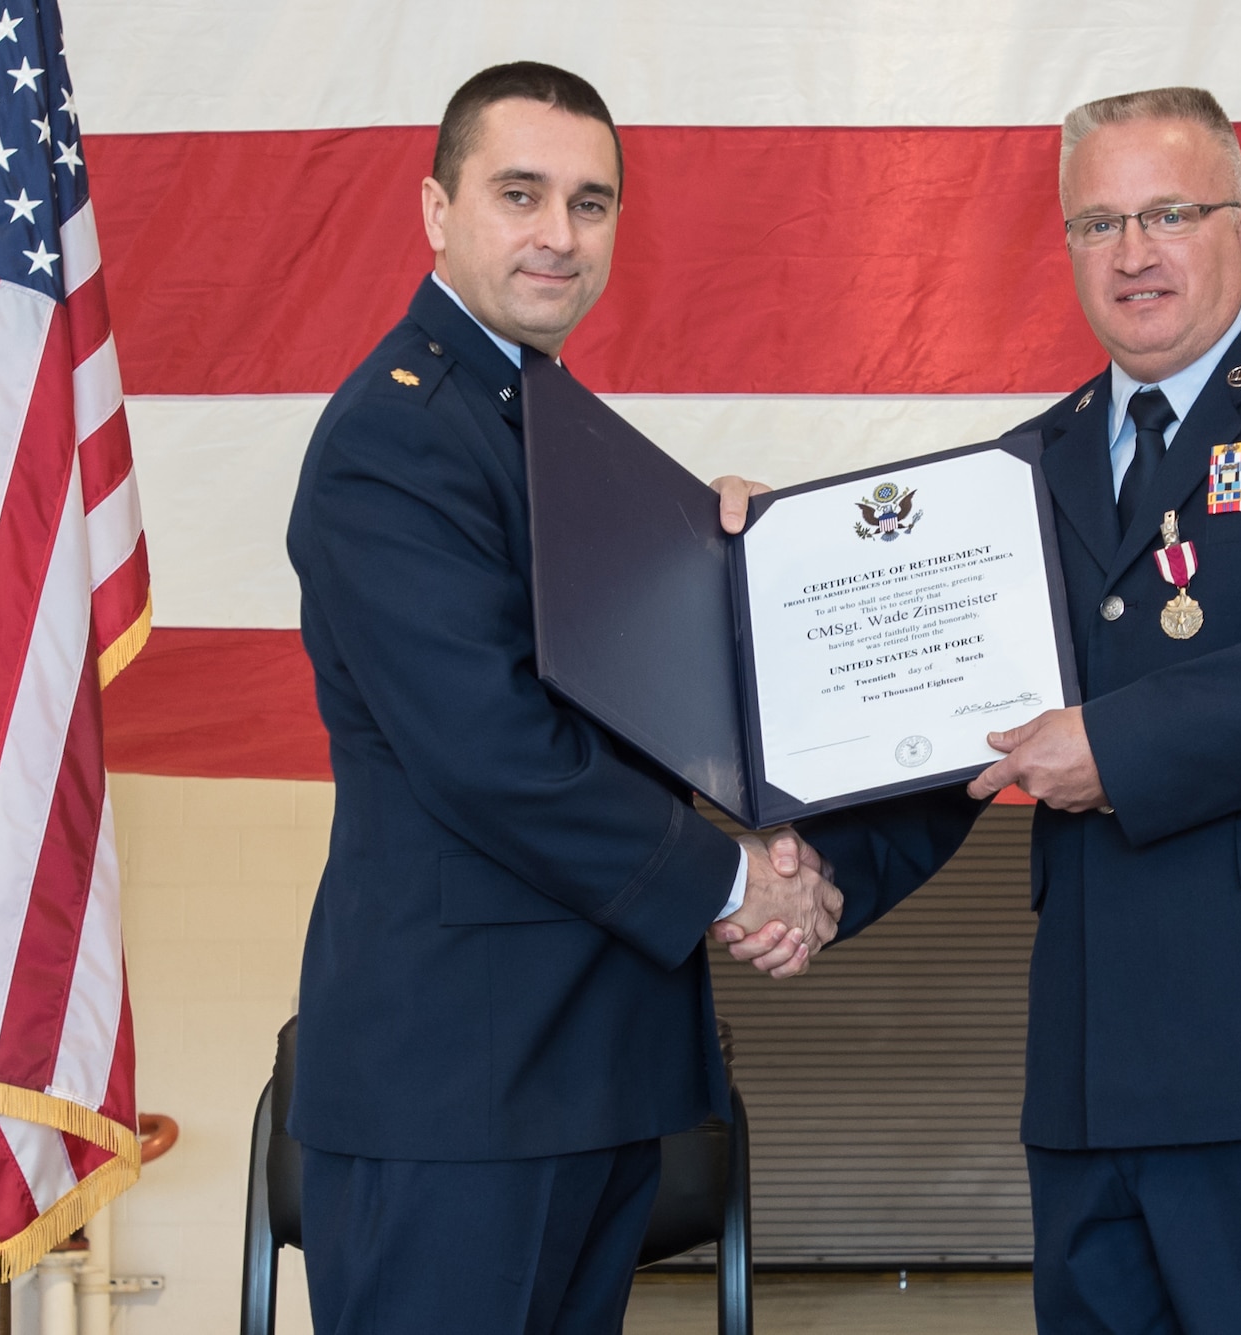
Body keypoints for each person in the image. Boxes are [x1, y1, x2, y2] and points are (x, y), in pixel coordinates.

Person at [727, 85, 1241, 1334]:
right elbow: (955, 736)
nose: (1132, 254)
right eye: (1096, 225)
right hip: (1097, 1095)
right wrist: (824, 878)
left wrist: (1118, 743)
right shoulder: (1025, 469)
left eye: (1167, 214)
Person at [284, 62, 838, 1333]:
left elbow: (639, 699)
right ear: (435, 210)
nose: (558, 234)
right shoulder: (397, 436)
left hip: (582, 1069)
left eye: (590, 204)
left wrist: (735, 575)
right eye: (519, 193)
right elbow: (489, 750)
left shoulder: (545, 421)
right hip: (457, 1086)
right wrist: (743, 882)